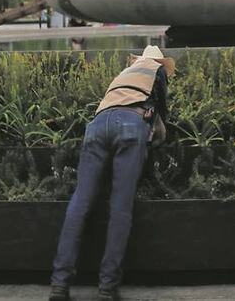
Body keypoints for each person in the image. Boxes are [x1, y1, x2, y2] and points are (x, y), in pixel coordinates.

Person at [49, 45, 171, 301]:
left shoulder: (125, 73)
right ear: (158, 61)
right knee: (120, 207)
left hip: (97, 126)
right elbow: (161, 114)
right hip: (130, 124)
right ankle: (107, 287)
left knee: (80, 202)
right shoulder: (157, 70)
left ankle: (59, 285)